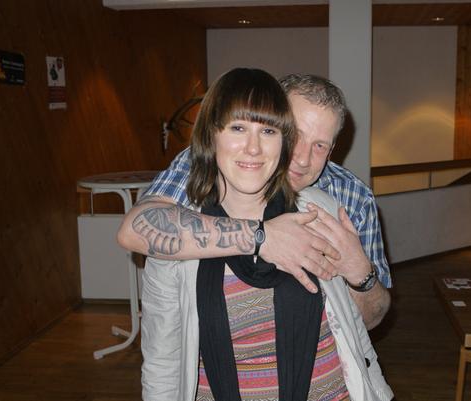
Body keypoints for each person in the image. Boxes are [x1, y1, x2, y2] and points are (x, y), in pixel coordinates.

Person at [128, 68, 393, 400]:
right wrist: (262, 236)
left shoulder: (339, 203)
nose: (301, 159)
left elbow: (362, 326)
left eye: (320, 145)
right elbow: (137, 228)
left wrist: (360, 273)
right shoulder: (190, 200)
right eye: (295, 135)